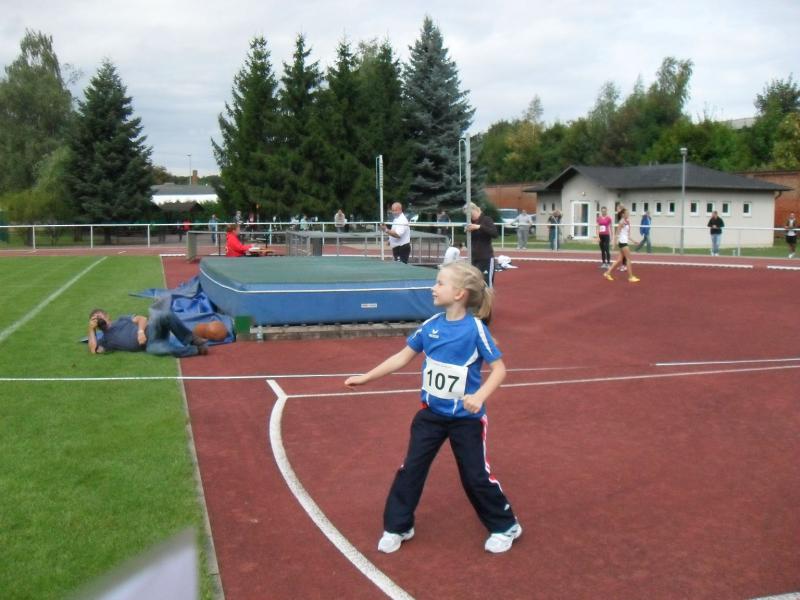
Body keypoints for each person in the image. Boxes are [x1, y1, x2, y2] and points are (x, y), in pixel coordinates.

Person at [344, 261, 521, 554]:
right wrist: (366, 377)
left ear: (459, 293)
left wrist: (479, 397)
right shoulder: (431, 326)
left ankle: (506, 526)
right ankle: (399, 526)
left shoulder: (475, 329)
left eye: (440, 283)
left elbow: (499, 369)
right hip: (431, 416)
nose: (433, 288)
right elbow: (401, 358)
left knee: (475, 476)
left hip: (466, 419)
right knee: (411, 469)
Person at [88, 300, 208, 358]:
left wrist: (140, 332)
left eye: (99, 316)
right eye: (95, 319)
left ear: (107, 316)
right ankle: (196, 350)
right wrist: (91, 329)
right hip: (149, 346)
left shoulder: (121, 319)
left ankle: (191, 339)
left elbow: (142, 319)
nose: (98, 319)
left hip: (152, 330)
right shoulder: (105, 340)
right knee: (158, 350)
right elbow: (94, 350)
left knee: (165, 314)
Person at [465, 202, 498, 287]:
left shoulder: (486, 220)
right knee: (474, 284)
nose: (471, 217)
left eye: (471, 215)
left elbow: (495, 234)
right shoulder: (470, 223)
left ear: (475, 210)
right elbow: (468, 243)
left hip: (486, 258)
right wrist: (468, 234)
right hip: (474, 258)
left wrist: (479, 227)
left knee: (486, 284)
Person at [604, 207, 640, 283]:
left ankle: (607, 273)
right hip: (623, 242)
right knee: (628, 259)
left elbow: (628, 235)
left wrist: (634, 241)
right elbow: (616, 234)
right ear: (623, 214)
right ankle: (630, 277)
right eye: (627, 213)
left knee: (619, 260)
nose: (628, 214)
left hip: (624, 242)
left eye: (628, 213)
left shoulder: (627, 222)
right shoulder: (621, 222)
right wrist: (614, 244)